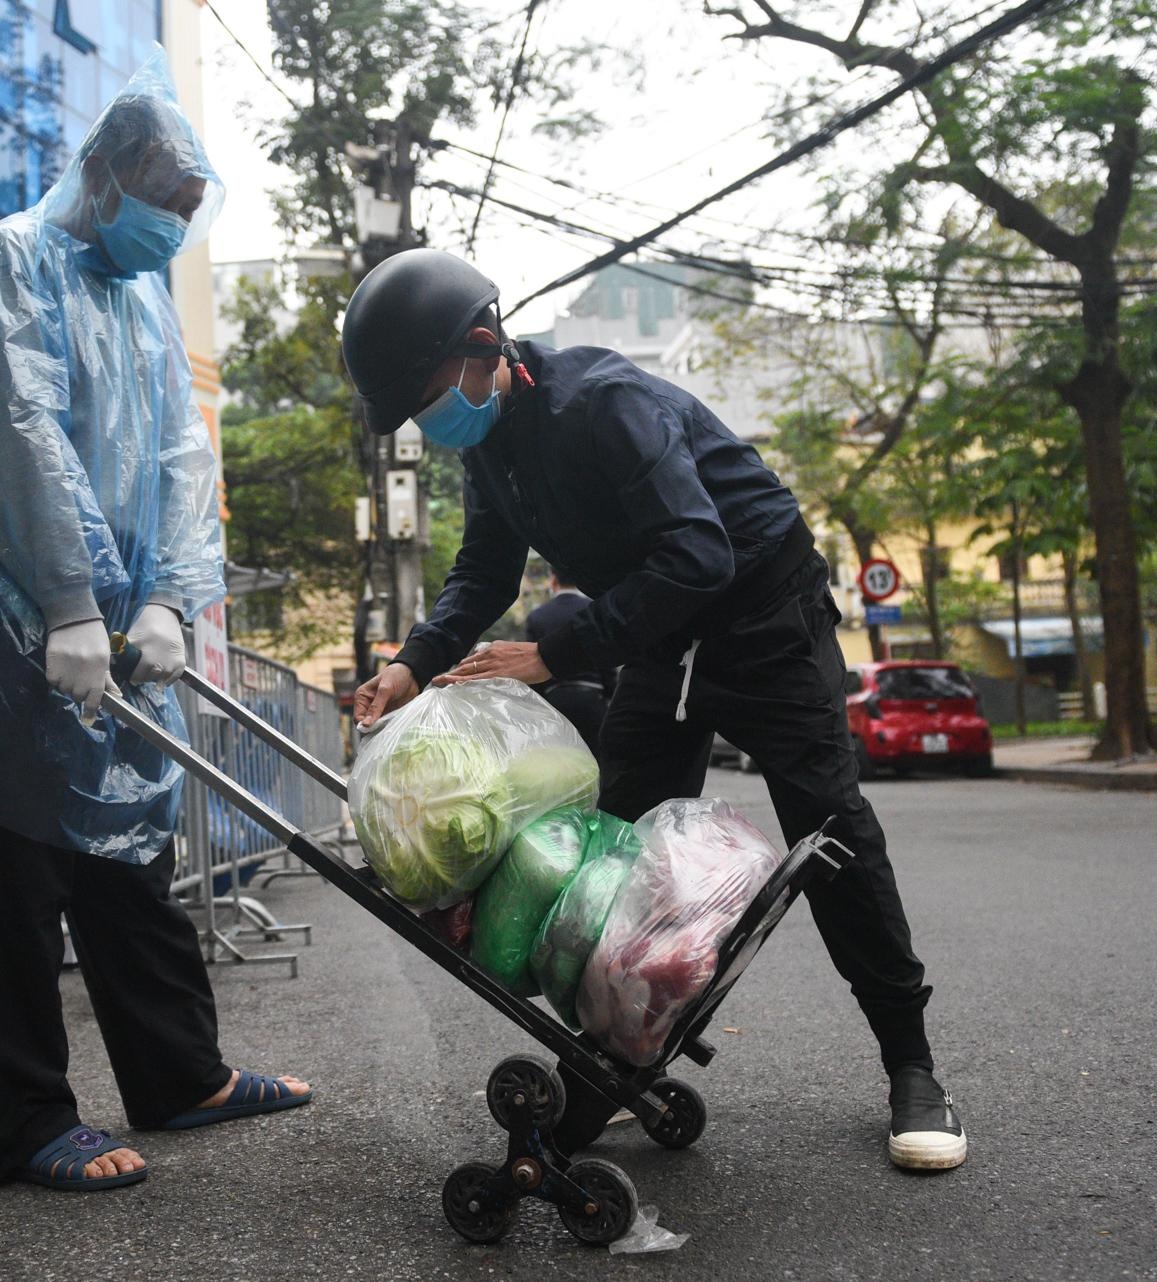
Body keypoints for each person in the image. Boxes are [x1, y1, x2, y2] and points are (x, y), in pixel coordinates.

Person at [341, 248, 965, 1172]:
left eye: (428, 397)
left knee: (829, 831)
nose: (431, 423)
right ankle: (616, 1061)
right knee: (615, 859)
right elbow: (483, 573)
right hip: (659, 635)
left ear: (484, 347)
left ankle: (912, 1067)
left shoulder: (603, 404)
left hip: (762, 614)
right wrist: (411, 664)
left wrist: (556, 653)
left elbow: (699, 556)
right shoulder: (492, 448)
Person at [0, 49, 308, 1193]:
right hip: (11, 620)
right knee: (13, 878)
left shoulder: (140, 306)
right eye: (166, 203)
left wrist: (173, 596)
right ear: (109, 170)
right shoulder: (6, 264)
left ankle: (183, 1074)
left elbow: (180, 460)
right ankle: (26, 1121)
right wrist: (71, 600)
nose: (174, 229)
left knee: (132, 858)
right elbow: (10, 438)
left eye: (190, 211)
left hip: (125, 629)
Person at [524, 569, 614, 754]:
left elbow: (531, 665)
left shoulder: (538, 616)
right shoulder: (595, 610)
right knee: (600, 757)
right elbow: (607, 659)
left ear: (553, 580)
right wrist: (610, 692)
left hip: (555, 701)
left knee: (558, 759)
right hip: (592, 697)